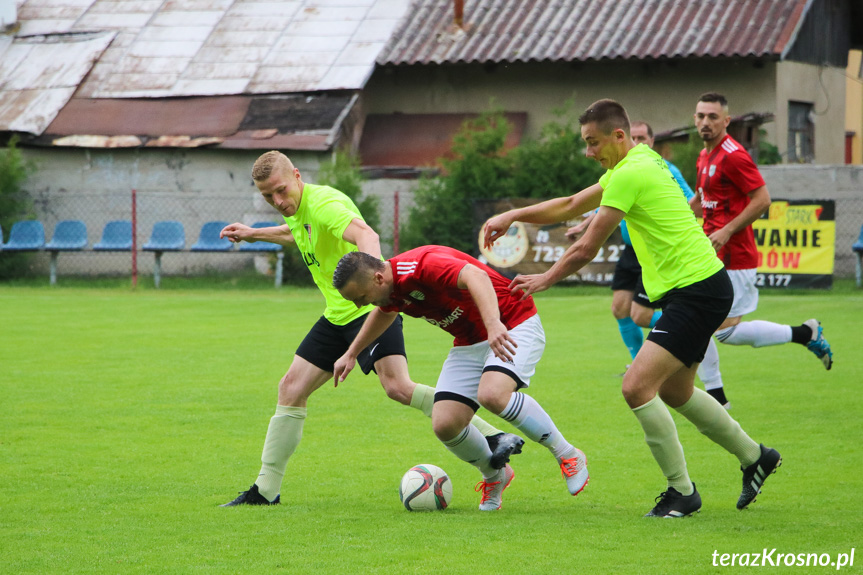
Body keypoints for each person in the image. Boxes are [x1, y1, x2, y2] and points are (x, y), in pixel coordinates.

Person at [484, 99, 781, 517]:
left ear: (618, 136)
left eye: (593, 143)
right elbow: (572, 205)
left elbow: (588, 246)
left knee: (636, 387)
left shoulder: (632, 171)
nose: (589, 152)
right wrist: (513, 215)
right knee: (676, 391)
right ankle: (756, 457)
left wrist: (544, 278)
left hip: (696, 290)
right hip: (699, 287)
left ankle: (682, 492)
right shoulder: (638, 161)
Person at [219, 151, 521, 506]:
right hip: (336, 316)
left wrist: (380, 292)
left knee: (397, 386)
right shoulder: (301, 211)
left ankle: (490, 435)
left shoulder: (324, 204)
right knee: (290, 388)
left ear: (297, 176)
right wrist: (255, 233)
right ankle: (265, 491)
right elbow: (295, 231)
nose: (278, 201)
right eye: (268, 196)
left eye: (281, 191)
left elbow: (366, 233)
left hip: (366, 310)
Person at [331, 246, 589, 511]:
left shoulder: (422, 266)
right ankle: (495, 475)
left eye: (361, 297)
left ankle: (568, 455)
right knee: (445, 423)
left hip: (512, 322)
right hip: (470, 342)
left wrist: (493, 324)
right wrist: (352, 353)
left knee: (493, 394)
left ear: (377, 278)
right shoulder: (390, 291)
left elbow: (476, 276)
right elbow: (385, 314)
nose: (360, 305)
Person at [690, 93, 833, 372]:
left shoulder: (734, 156)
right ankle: (717, 399)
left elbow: (763, 199)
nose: (705, 122)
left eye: (712, 116)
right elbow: (701, 200)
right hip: (710, 255)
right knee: (696, 320)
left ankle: (805, 334)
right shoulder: (704, 156)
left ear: (726, 121)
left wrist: (727, 231)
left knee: (720, 331)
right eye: (700, 116)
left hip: (735, 256)